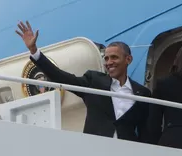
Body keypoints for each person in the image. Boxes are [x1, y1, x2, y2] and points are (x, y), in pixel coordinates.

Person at [15, 21, 151, 142]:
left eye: (114, 57)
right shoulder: (94, 81)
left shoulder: (142, 93)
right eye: (107, 59)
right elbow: (61, 78)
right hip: (94, 151)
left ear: (128, 60)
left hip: (128, 155)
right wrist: (34, 51)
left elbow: (147, 132)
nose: (109, 62)